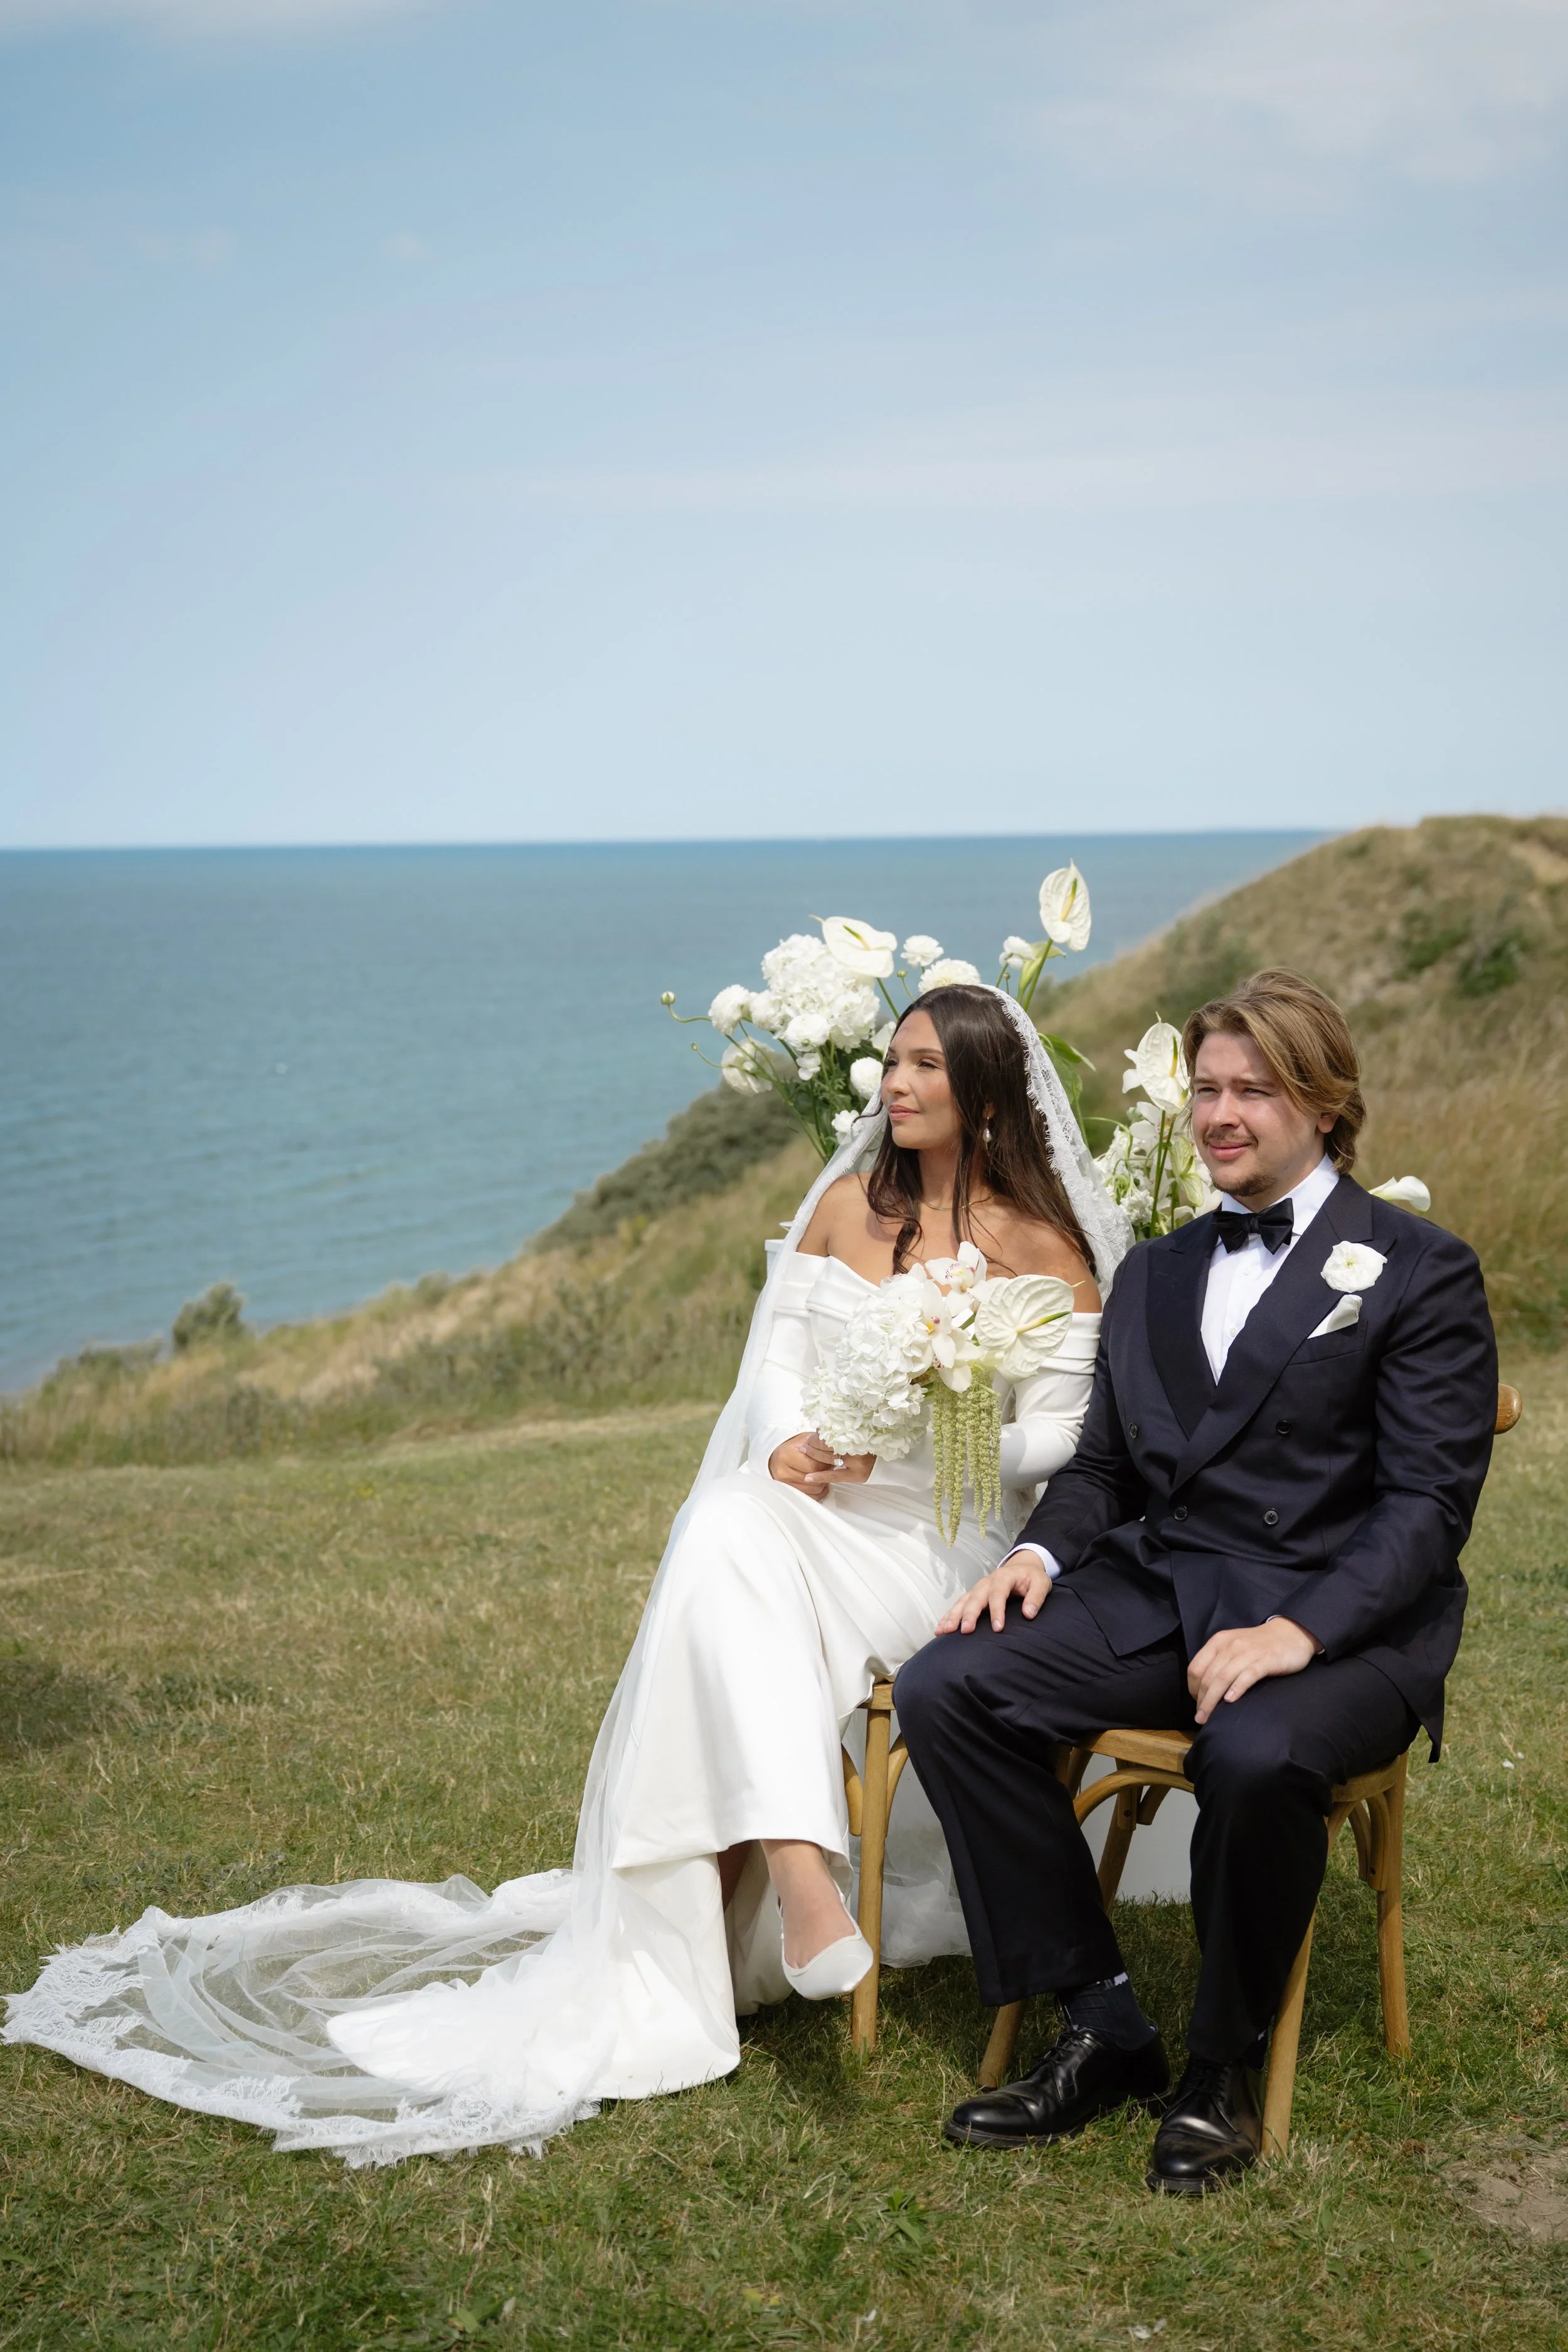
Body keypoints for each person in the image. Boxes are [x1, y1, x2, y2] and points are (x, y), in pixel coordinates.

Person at [4, 983, 1130, 2164]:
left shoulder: (1042, 1247)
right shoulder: (848, 1207)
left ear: (986, 1095)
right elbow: (780, 1374)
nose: (892, 1086)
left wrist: (929, 1431)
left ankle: (790, 1887)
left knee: (724, 1551)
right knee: (729, 1521)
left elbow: (1063, 1438)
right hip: (811, 1500)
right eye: (891, 1062)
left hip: (928, 1537)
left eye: (921, 1069)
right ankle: (803, 1879)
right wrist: (791, 1440)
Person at [895, 968, 1496, 2196]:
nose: (1219, 1115)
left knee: (1255, 1754)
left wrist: (1296, 1630)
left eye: (1252, 1091)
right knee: (948, 1683)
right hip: (1163, 1590)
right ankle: (1101, 2019)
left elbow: (1424, 1508)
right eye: (1205, 1090)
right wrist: (1036, 1553)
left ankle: (1218, 2073)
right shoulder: (1159, 1273)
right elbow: (1105, 1463)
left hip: (1342, 1619)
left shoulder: (1416, 1269)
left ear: (1323, 1106)